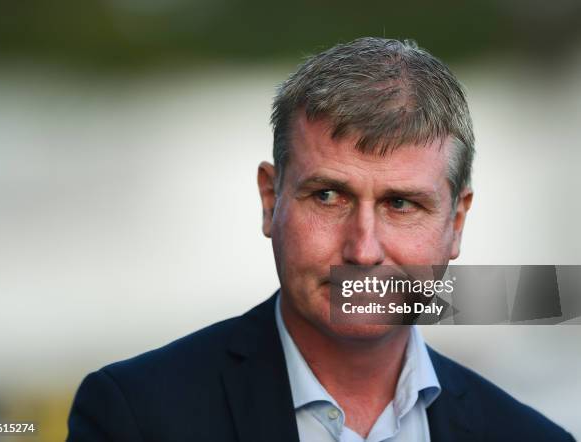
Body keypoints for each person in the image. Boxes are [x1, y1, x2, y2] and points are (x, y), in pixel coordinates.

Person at [67, 37, 575, 441]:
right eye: (329, 196)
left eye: (401, 204)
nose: (363, 251)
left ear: (456, 223)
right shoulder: (134, 417)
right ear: (271, 199)